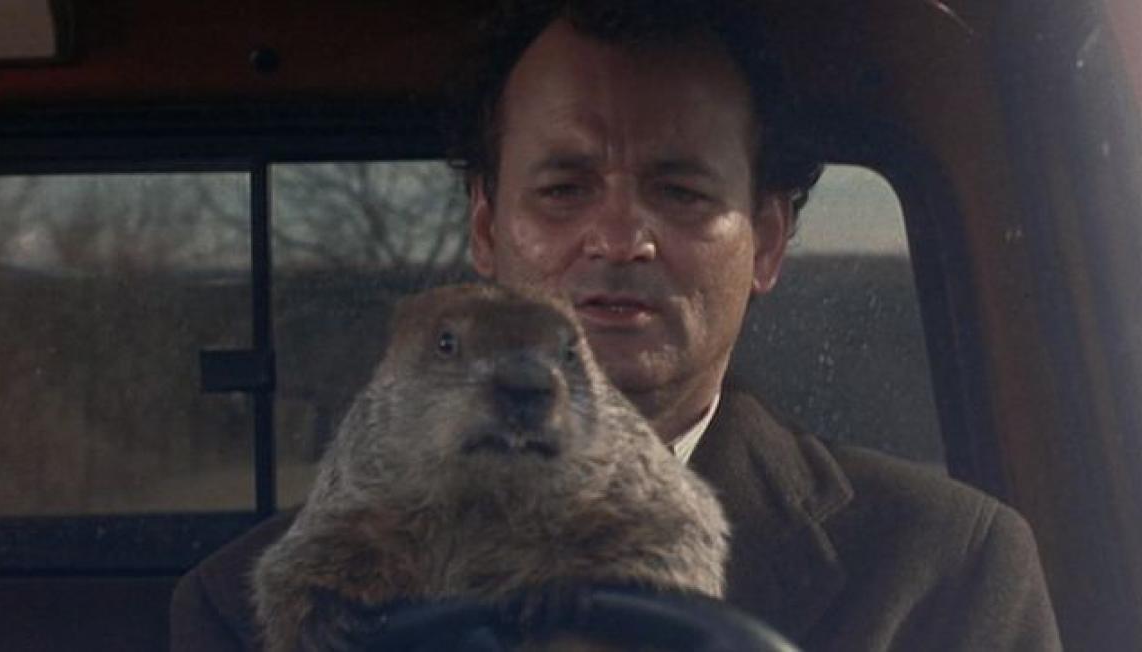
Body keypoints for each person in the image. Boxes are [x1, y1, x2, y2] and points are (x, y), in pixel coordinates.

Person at [170, 1, 1062, 650]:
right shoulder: (240, 609)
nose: (620, 238)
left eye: (680, 191)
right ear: (485, 228)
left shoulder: (946, 566)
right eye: (563, 189)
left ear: (768, 239)